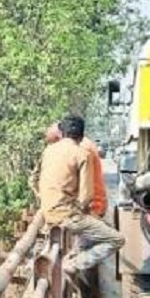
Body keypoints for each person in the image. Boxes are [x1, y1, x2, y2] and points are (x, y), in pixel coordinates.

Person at [33, 115, 125, 283]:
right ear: (82, 137)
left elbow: (34, 179)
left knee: (81, 237)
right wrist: (81, 212)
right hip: (68, 216)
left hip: (48, 213)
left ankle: (74, 273)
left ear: (61, 133)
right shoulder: (83, 153)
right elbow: (86, 196)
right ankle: (75, 263)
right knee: (116, 239)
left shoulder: (48, 150)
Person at [42, 122, 108, 218]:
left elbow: (85, 196)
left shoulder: (81, 150)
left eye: (55, 140)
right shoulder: (76, 148)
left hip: (91, 207)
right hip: (71, 208)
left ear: (62, 134)